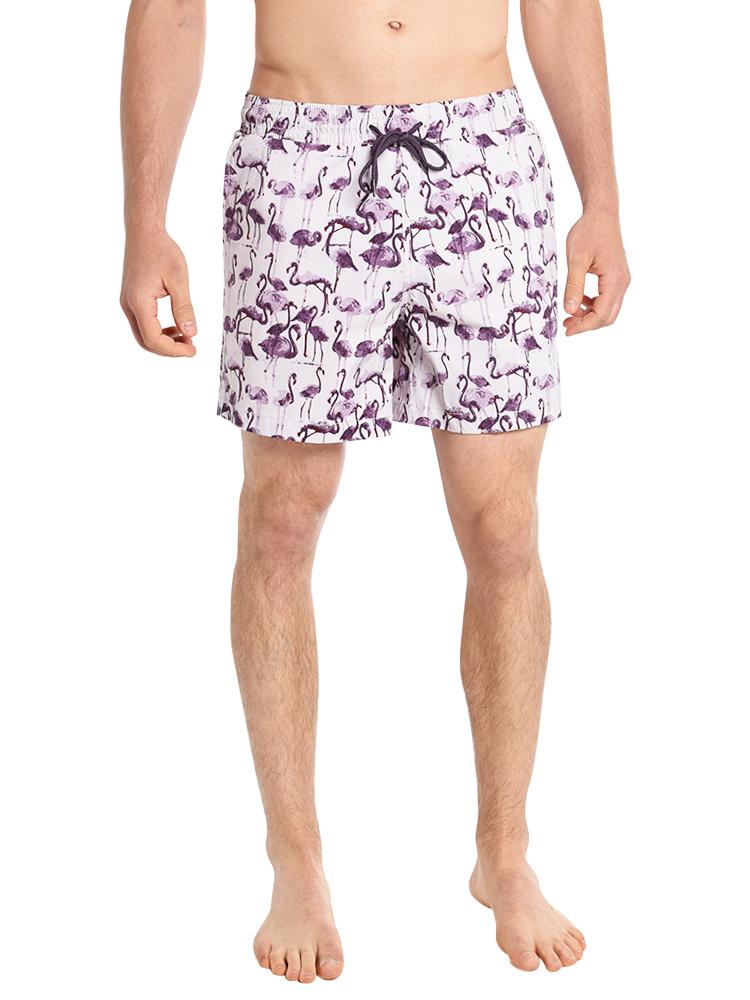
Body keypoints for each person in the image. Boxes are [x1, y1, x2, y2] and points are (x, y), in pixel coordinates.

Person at [120, 0, 630, 982]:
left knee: (505, 529)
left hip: (480, 154)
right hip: (299, 157)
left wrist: (600, 197)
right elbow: (173, 7)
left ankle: (505, 852)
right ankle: (296, 860)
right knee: (281, 520)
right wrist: (147, 222)